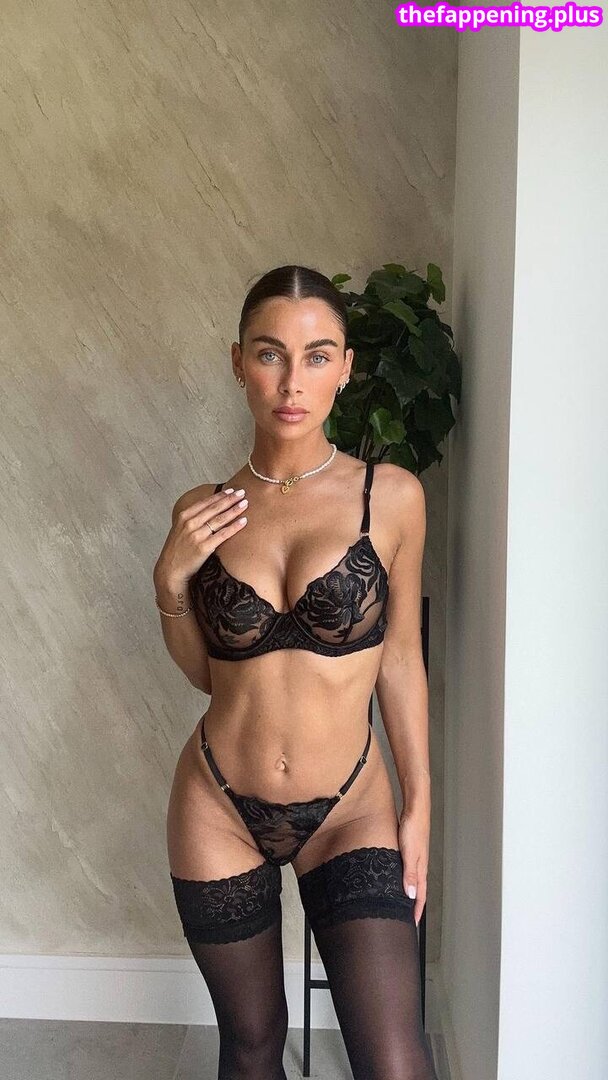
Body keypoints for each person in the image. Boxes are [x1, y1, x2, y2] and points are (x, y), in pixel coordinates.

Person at [154, 264, 438, 1080]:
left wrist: (419, 804)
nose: (291, 382)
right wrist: (169, 584)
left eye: (316, 356)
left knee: (393, 1059)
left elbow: (401, 659)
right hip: (218, 803)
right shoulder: (201, 510)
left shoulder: (391, 497)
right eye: (270, 353)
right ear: (238, 361)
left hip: (350, 805)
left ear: (345, 367)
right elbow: (210, 676)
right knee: (251, 1046)